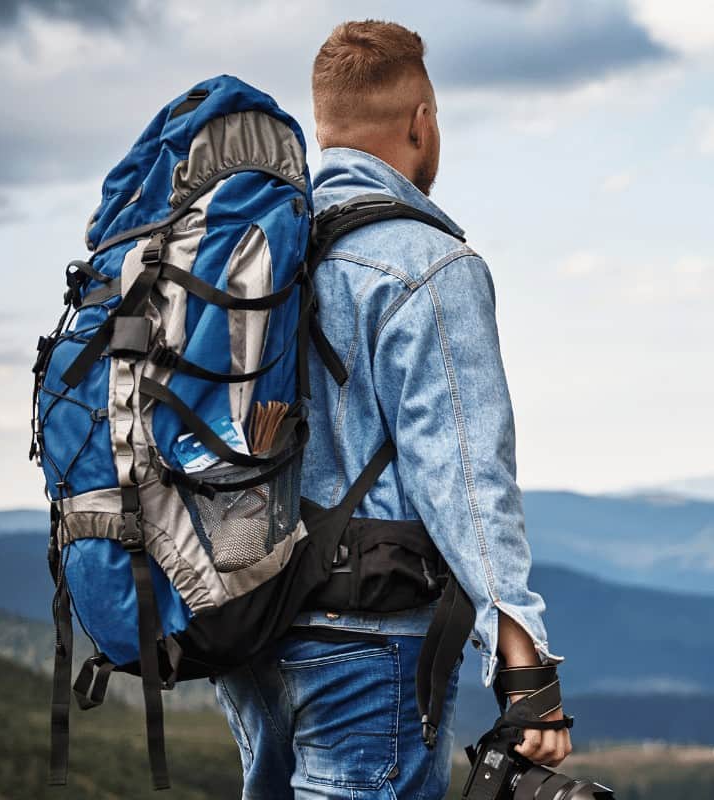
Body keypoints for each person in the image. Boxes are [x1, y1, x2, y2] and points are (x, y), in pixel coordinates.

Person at [213, 19, 571, 799]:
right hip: (367, 645)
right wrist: (523, 658)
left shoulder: (255, 252)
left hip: (246, 632)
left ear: (325, 126)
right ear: (421, 121)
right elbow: (467, 476)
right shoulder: (428, 264)